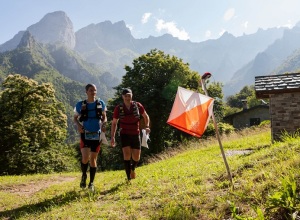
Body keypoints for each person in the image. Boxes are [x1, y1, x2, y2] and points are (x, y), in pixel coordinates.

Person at [111, 88, 150, 182]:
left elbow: (145, 116)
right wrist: (112, 136)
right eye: (126, 96)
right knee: (127, 155)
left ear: (132, 96)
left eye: (129, 96)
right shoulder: (118, 108)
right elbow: (114, 122)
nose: (128, 98)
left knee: (136, 157)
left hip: (135, 133)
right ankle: (128, 177)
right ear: (122, 97)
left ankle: (132, 169)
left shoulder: (138, 105)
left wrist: (147, 126)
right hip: (124, 133)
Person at [74, 84, 107, 191]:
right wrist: (79, 126)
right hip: (85, 134)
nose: (93, 92)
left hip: (97, 134)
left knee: (93, 158)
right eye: (91, 90)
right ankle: (84, 175)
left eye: (95, 90)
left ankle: (91, 183)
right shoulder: (80, 104)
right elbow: (75, 118)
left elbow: (104, 117)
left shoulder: (101, 103)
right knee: (85, 158)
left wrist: (104, 124)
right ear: (86, 92)